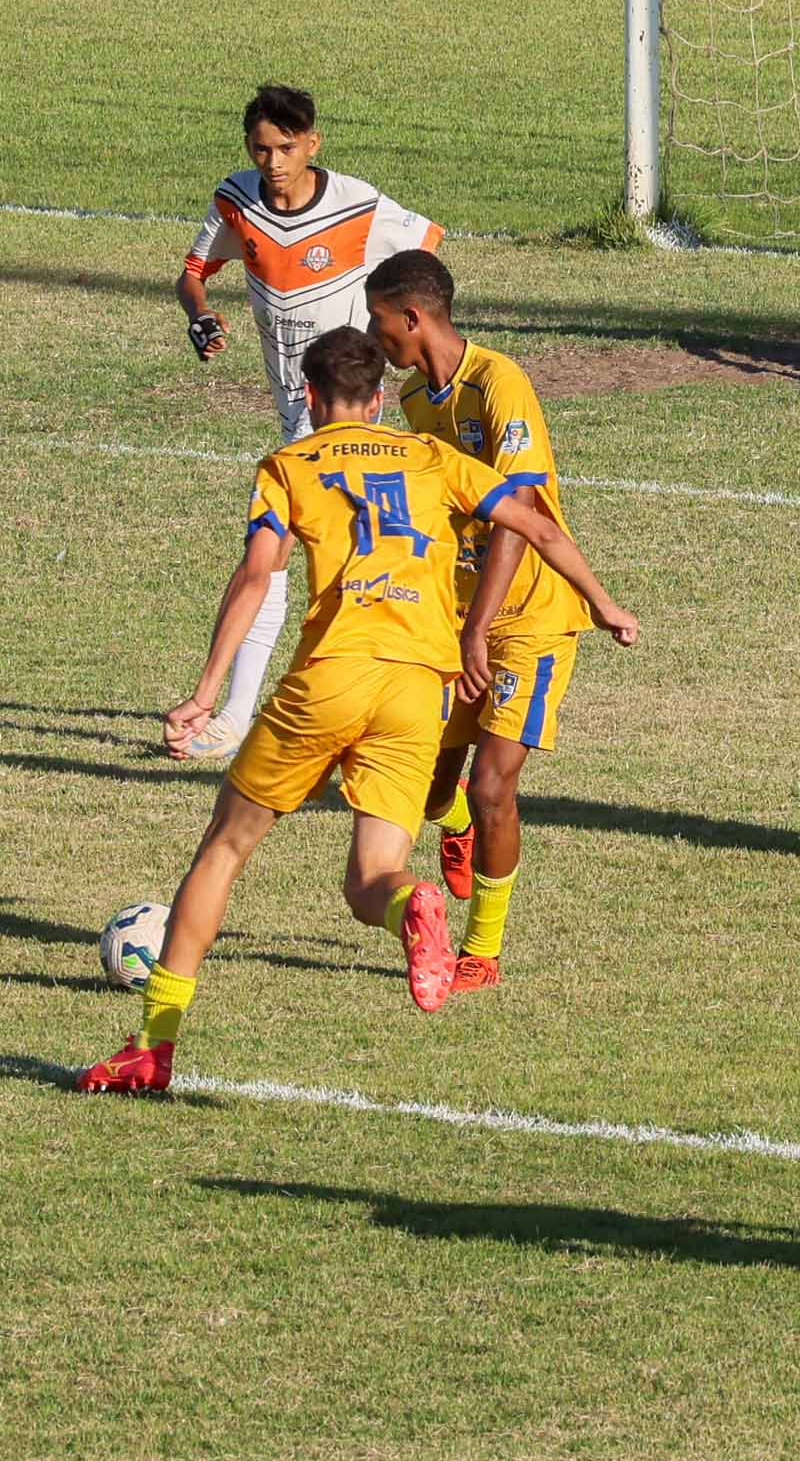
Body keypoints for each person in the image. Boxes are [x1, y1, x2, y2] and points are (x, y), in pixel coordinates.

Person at [76, 327, 625, 1097]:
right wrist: (600, 601)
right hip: (415, 696)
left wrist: (206, 691)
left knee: (225, 847)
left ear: (308, 397)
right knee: (372, 876)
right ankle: (413, 903)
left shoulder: (287, 466)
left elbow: (256, 576)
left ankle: (152, 1049)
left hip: (329, 680)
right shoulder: (430, 457)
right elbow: (533, 523)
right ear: (377, 401)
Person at [375, 248, 646, 993]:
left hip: (526, 618)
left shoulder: (501, 384)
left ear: (412, 317)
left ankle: (481, 953)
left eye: (379, 323)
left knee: (496, 784)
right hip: (451, 616)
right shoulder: (410, 401)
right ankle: (453, 821)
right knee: (425, 788)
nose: (377, 340)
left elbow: (518, 518)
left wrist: (480, 630)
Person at [177, 82, 440, 751]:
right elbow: (194, 270)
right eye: (260, 149)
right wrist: (200, 313)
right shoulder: (236, 202)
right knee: (353, 552)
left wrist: (391, 332)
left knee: (268, 556)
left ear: (312, 144)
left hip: (342, 407)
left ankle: (231, 714)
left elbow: (426, 248)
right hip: (298, 407)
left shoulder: (358, 204)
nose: (272, 163)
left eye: (286, 149)